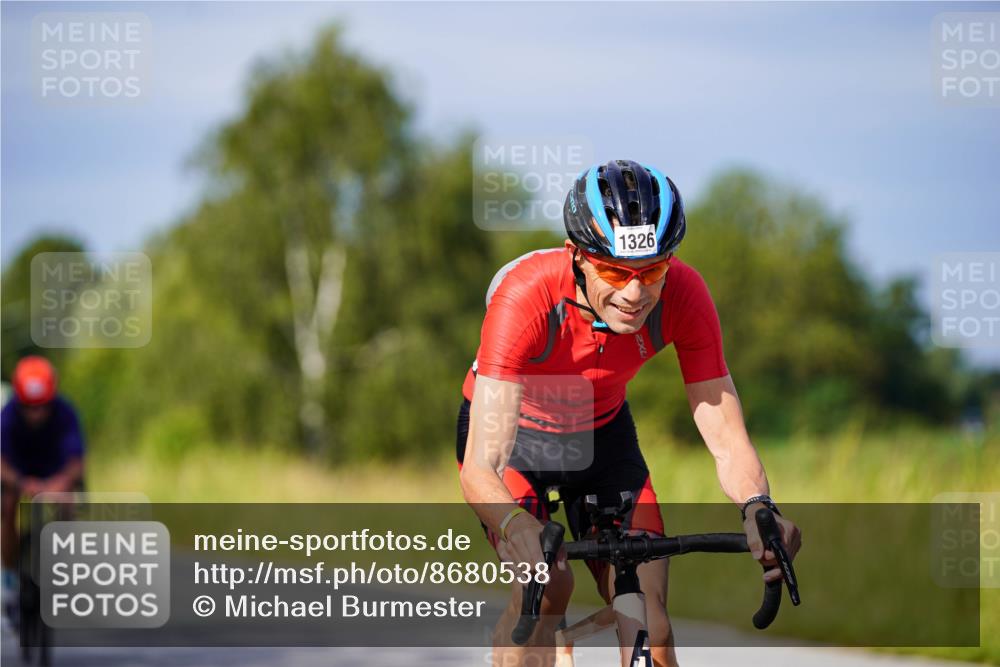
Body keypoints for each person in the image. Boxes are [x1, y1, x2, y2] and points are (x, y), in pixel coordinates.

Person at [457, 159, 802, 667]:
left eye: (652, 271)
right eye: (616, 272)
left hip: (603, 434)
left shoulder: (685, 295)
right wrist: (514, 525)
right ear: (576, 256)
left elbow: (726, 435)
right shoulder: (525, 298)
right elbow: (480, 466)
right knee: (549, 588)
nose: (636, 293)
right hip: (517, 441)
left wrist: (758, 507)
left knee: (649, 619)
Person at [1, 356, 85, 626]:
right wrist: (20, 483)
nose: (35, 414)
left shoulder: (66, 413)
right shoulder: (8, 416)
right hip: (18, 472)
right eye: (29, 407)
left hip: (54, 472)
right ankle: (10, 576)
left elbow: (76, 463)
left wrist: (57, 485)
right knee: (6, 504)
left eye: (42, 406)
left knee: (68, 502)